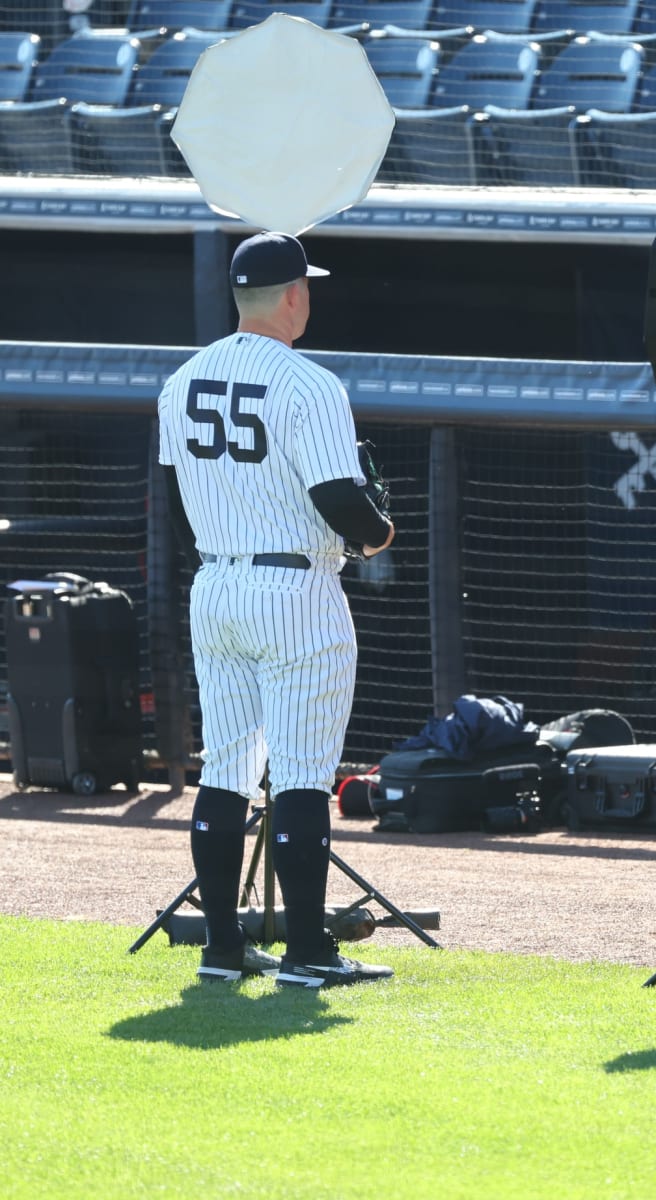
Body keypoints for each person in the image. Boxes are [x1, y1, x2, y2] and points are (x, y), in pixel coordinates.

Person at [157, 231, 396, 987]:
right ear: (293, 296)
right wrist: (378, 531)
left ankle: (223, 948)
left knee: (225, 768)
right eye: (307, 287)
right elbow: (338, 499)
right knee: (300, 775)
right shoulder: (310, 384)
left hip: (216, 584)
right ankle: (307, 951)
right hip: (293, 591)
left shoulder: (181, 379)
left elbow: (175, 501)